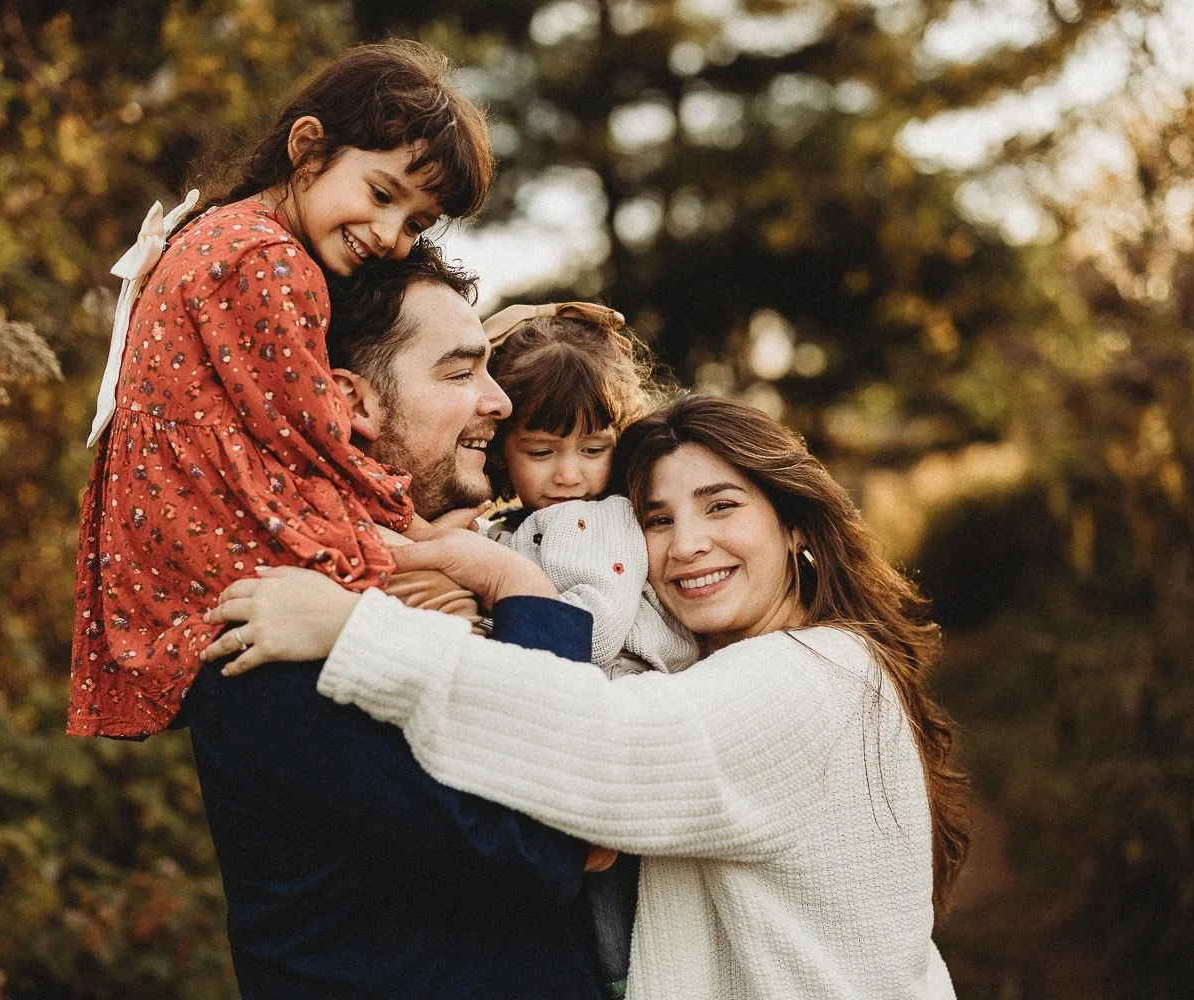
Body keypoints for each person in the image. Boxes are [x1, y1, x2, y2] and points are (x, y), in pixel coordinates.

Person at [205, 394, 971, 1000]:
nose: (688, 544)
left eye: (723, 505)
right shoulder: (763, 669)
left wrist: (354, 630)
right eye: (657, 521)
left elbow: (606, 744)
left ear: (795, 526)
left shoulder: (812, 675)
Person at [178, 243, 607, 999]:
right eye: (458, 371)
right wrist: (521, 586)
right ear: (354, 402)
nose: (500, 401)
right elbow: (548, 840)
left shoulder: (436, 569)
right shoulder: (282, 611)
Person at [68, 39, 490, 739]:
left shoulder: (218, 233)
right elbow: (311, 436)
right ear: (307, 148)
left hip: (170, 541)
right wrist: (408, 529)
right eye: (382, 194)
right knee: (449, 613)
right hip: (226, 541)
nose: (389, 234)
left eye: (414, 223)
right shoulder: (269, 261)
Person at [477, 300, 699, 995]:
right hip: (604, 742)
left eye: (593, 449)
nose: (569, 473)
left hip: (623, 737)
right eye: (540, 452)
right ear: (498, 444)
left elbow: (590, 636)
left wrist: (487, 632)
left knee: (617, 945)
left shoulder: (590, 519)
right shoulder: (524, 525)